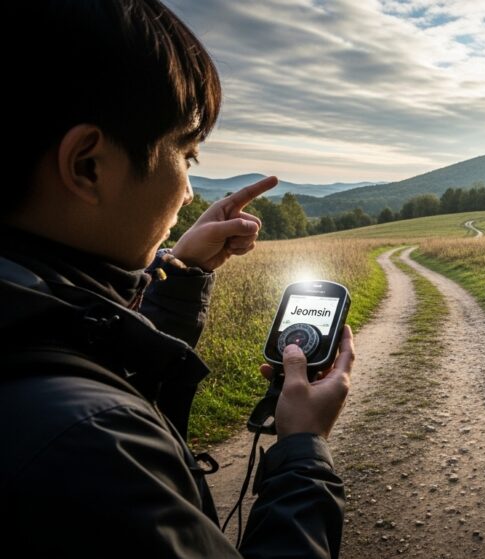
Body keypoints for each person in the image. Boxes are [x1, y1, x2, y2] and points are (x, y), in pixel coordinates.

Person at [0, 1, 351, 557]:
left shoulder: (28, 328)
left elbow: (93, 355)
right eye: (187, 154)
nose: (189, 191)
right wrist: (303, 449)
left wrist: (183, 270)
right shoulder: (93, 446)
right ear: (88, 166)